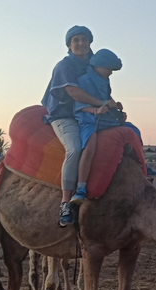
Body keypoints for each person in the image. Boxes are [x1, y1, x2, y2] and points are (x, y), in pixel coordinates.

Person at [42, 26, 113, 227]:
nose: (81, 43)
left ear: (90, 42)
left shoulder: (95, 66)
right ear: (69, 45)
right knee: (75, 148)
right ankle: (65, 202)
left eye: (84, 39)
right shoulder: (64, 67)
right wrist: (101, 104)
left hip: (88, 114)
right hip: (65, 116)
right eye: (76, 40)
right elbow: (74, 92)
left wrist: (113, 106)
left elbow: (103, 92)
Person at [70, 48, 142, 205]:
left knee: (134, 130)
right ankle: (81, 188)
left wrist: (116, 108)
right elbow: (80, 106)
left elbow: (106, 99)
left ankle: (143, 169)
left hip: (104, 119)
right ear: (99, 65)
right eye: (109, 68)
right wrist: (96, 110)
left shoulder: (104, 81)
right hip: (88, 119)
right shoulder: (84, 81)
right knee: (90, 145)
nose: (110, 72)